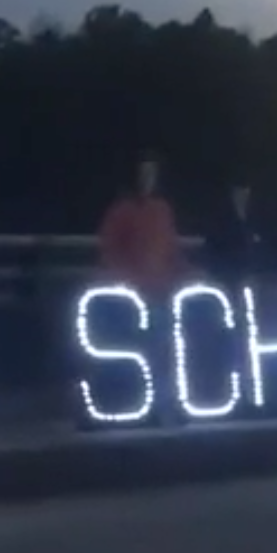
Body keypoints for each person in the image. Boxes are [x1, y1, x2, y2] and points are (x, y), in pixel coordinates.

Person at [96, 151, 184, 423]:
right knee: (141, 354)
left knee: (164, 351)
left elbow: (172, 250)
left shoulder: (162, 209)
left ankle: (163, 405)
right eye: (143, 173)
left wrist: (188, 274)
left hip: (161, 293)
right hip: (134, 297)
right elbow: (109, 250)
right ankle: (143, 405)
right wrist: (126, 282)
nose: (148, 179)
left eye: (152, 173)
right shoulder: (121, 211)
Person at [203, 183, 261, 288]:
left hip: (246, 275)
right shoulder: (221, 221)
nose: (244, 197)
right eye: (240, 193)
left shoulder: (250, 218)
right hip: (227, 275)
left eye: (247, 193)